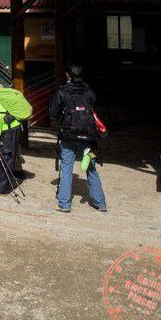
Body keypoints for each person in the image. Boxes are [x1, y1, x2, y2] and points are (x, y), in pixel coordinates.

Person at [49, 63, 107, 213]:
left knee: (67, 167)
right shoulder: (89, 92)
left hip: (68, 135)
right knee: (91, 167)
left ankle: (64, 203)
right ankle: (100, 203)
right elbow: (95, 108)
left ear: (68, 75)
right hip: (88, 136)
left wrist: (59, 125)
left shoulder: (62, 91)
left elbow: (53, 111)